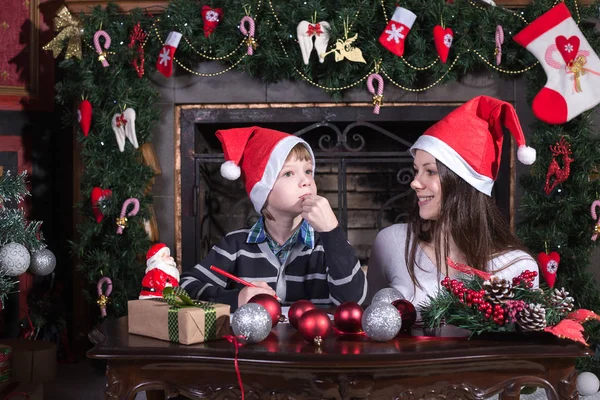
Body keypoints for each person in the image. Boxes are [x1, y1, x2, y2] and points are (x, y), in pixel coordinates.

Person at [367, 95, 540, 311]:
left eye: (430, 172)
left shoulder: (517, 267)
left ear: (462, 184)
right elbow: (367, 322)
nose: (415, 183)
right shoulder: (392, 242)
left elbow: (525, 344)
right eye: (416, 170)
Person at [180, 126, 367, 311]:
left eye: (308, 171)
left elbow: (353, 301)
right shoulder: (235, 245)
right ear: (264, 191)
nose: (307, 181)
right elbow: (185, 287)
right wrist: (235, 298)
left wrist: (332, 232)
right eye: (288, 173)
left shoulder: (329, 244)